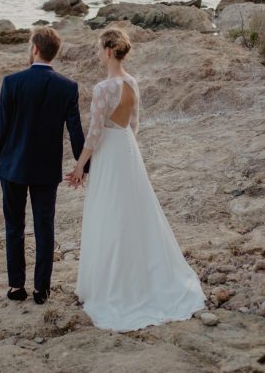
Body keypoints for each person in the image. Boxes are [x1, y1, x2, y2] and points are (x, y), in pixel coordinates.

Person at [66, 27, 206, 331]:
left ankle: (113, 285)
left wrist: (79, 166)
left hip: (110, 155)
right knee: (136, 214)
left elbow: (94, 133)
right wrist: (125, 147)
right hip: (128, 151)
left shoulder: (104, 89)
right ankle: (145, 276)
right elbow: (135, 124)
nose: (96, 53)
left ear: (107, 51)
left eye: (97, 48)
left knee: (109, 214)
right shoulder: (132, 82)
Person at [0, 26, 87, 305]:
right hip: (46, 170)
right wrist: (83, 166)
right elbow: (75, 131)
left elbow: (2, 127)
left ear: (35, 48)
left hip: (13, 166)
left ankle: (15, 286)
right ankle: (41, 289)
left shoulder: (12, 82)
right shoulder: (67, 87)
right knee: (45, 227)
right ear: (53, 52)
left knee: (14, 226)